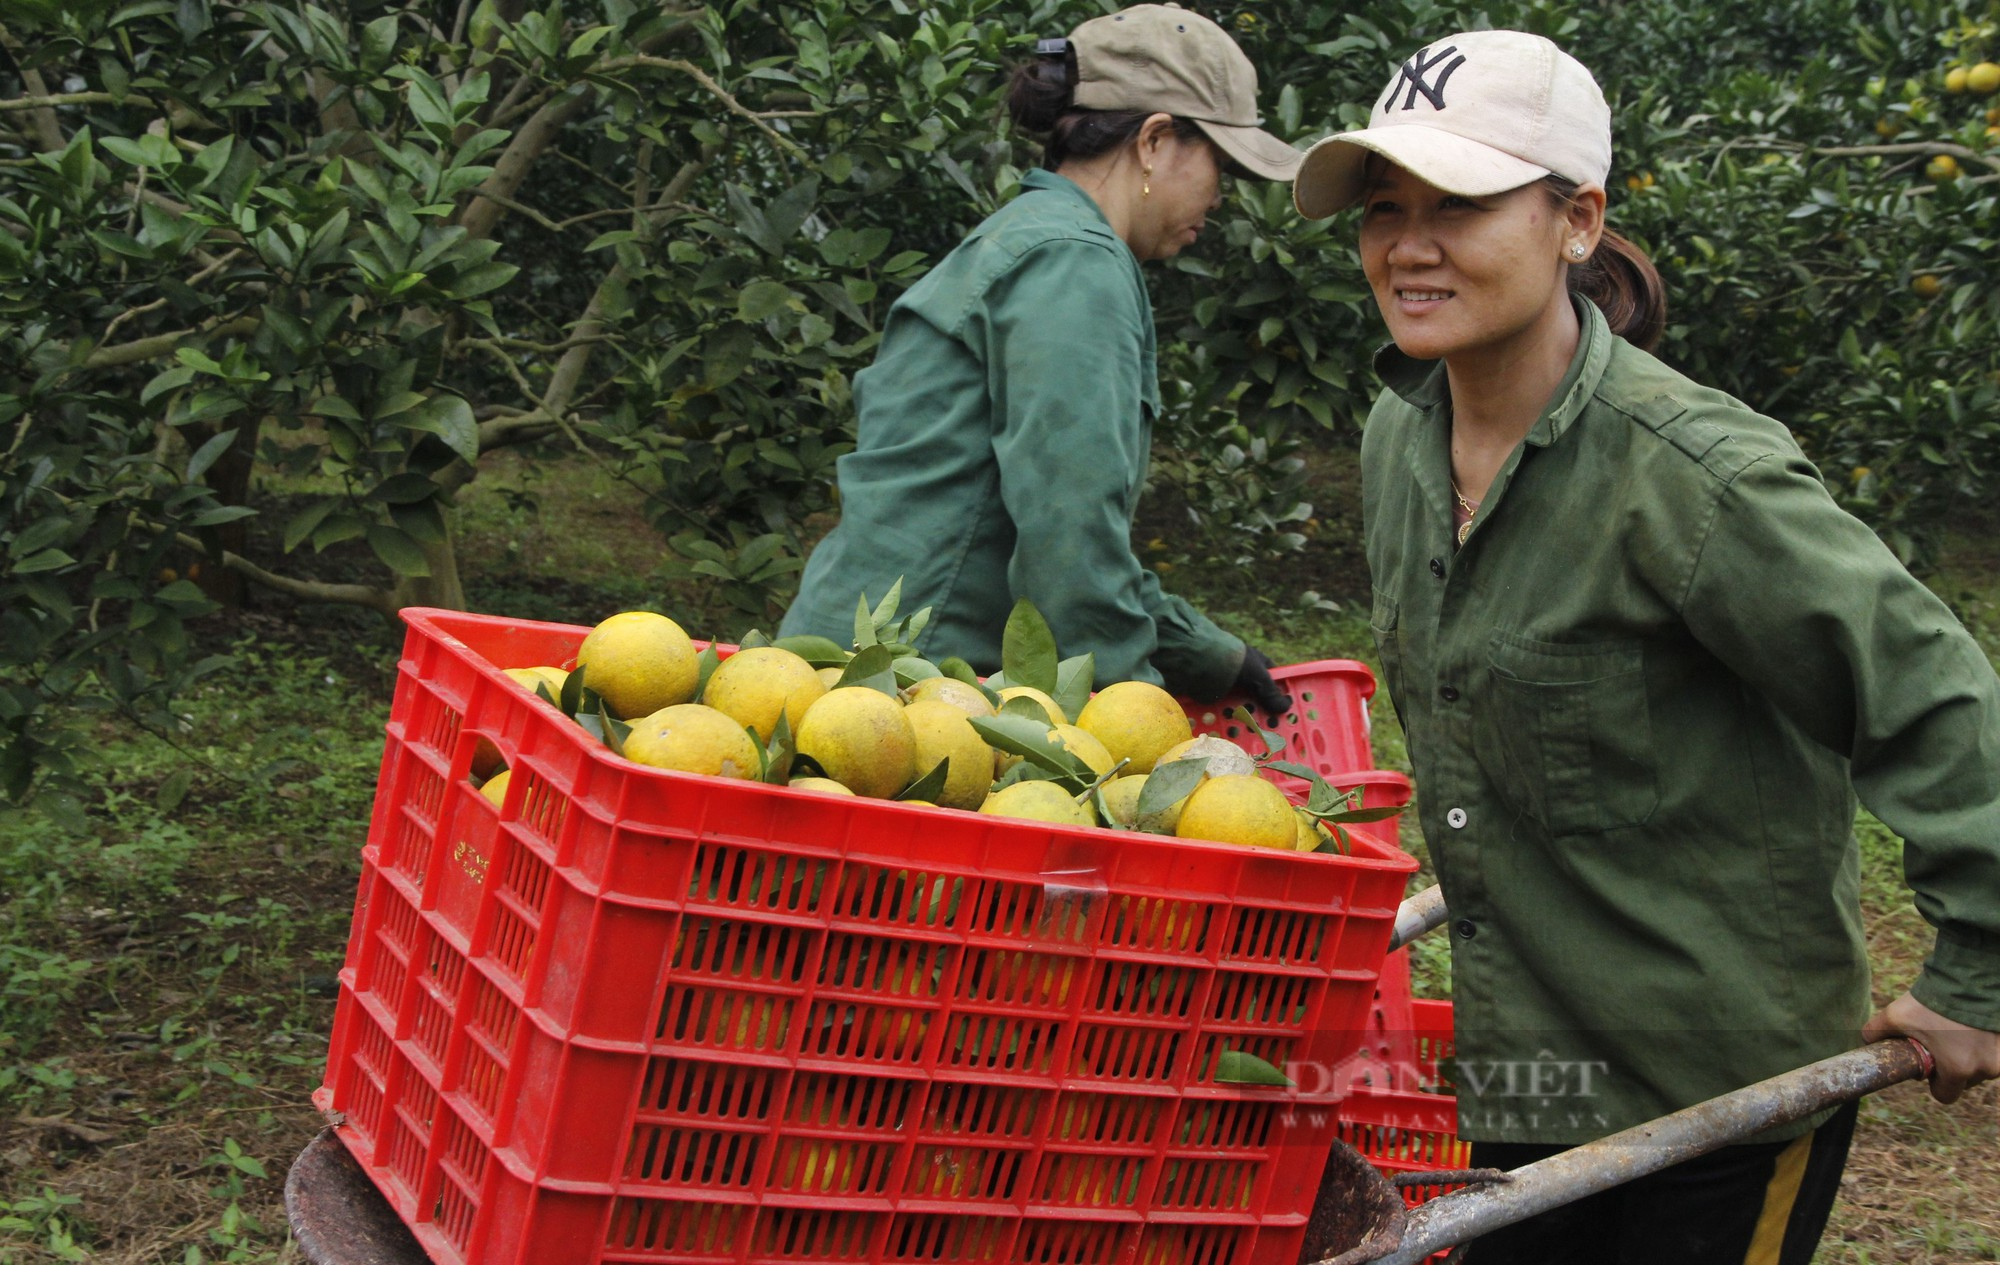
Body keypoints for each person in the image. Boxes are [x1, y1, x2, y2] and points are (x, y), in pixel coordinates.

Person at [1292, 29, 2000, 1264]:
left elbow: (1931, 695)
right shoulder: (1396, 445)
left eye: (1456, 203)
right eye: (1380, 207)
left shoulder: (1690, 477)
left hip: (1713, 1084)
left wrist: (1978, 969)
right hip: (1532, 1067)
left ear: (1574, 220)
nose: (1405, 244)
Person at [780, 4, 1296, 715]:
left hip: (842, 678)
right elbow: (1069, 538)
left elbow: (1030, 514)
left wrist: (1206, 653)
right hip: (902, 704)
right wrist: (1134, 720)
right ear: (1153, 140)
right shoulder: (1077, 265)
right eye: (1221, 167)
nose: (1219, 197)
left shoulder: (1029, 240)